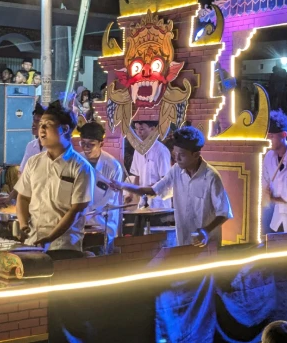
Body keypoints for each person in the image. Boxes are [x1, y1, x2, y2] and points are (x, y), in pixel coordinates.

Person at [113, 127, 233, 247]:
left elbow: (224, 212)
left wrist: (206, 230)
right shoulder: (176, 170)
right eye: (175, 154)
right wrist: (122, 185)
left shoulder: (211, 177)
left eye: (182, 155)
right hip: (183, 240)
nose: (177, 159)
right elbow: (153, 191)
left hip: (207, 244)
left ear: (196, 155)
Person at [14, 101, 94, 260]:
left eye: (47, 125)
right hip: (33, 242)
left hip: (63, 246)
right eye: (40, 124)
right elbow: (23, 197)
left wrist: (50, 238)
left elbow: (76, 210)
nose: (41, 129)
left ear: (64, 129)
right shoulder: (33, 162)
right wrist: (23, 225)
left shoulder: (80, 167)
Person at [78, 122, 124, 252]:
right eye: (83, 143)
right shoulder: (76, 161)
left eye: (91, 144)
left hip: (103, 222)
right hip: (80, 223)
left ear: (101, 144)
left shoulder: (113, 166)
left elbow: (110, 197)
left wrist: (90, 212)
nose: (86, 148)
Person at [128, 121, 172, 209]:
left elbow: (166, 180)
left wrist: (150, 190)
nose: (138, 132)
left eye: (142, 129)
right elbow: (137, 175)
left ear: (152, 129)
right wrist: (131, 194)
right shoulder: (137, 150)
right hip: (143, 202)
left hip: (159, 204)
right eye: (136, 129)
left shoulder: (161, 151)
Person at [19, 103, 46, 174]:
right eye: (34, 120)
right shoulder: (30, 146)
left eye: (37, 121)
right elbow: (22, 172)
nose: (33, 123)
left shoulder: (54, 148)